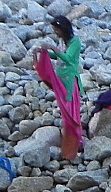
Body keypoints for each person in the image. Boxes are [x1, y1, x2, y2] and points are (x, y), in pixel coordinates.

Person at [32, 16, 83, 160]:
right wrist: (44, 53)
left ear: (64, 29)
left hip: (69, 82)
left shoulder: (75, 42)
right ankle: (71, 138)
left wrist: (53, 48)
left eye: (57, 30)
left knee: (71, 111)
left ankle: (76, 140)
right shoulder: (62, 41)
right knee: (65, 111)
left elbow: (68, 59)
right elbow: (59, 57)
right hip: (60, 81)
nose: (56, 33)